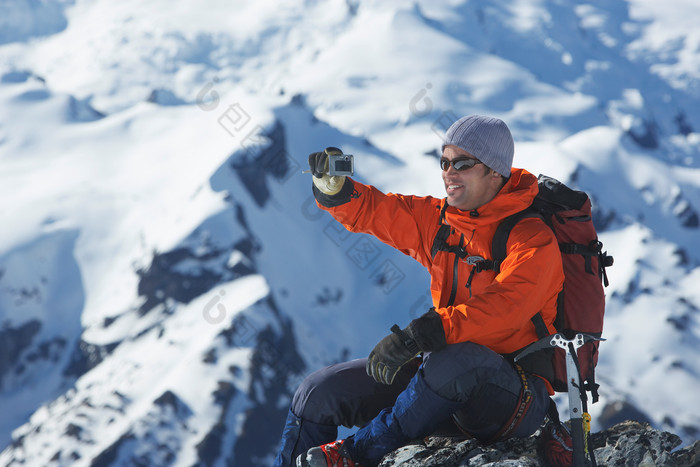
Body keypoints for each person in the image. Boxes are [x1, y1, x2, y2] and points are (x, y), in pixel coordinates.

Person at [273, 115, 565, 467]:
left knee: (453, 360)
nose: (449, 173)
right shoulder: (442, 223)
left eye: (462, 163)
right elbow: (378, 210)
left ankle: (353, 456)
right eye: (444, 162)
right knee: (317, 393)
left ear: (495, 171)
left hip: (511, 399)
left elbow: (507, 307)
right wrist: (336, 190)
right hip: (439, 384)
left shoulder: (532, 239)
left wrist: (422, 335)